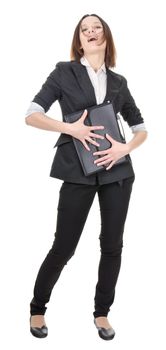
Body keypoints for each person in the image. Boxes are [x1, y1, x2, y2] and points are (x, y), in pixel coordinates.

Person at [25, 13, 147, 341]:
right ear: (79, 40)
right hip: (76, 172)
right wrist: (70, 128)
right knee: (64, 246)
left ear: (106, 37)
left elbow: (140, 129)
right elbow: (31, 115)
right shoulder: (64, 72)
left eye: (97, 28)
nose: (91, 32)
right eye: (85, 29)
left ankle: (102, 313)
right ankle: (38, 307)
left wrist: (124, 149)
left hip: (117, 173)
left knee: (112, 246)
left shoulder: (119, 82)